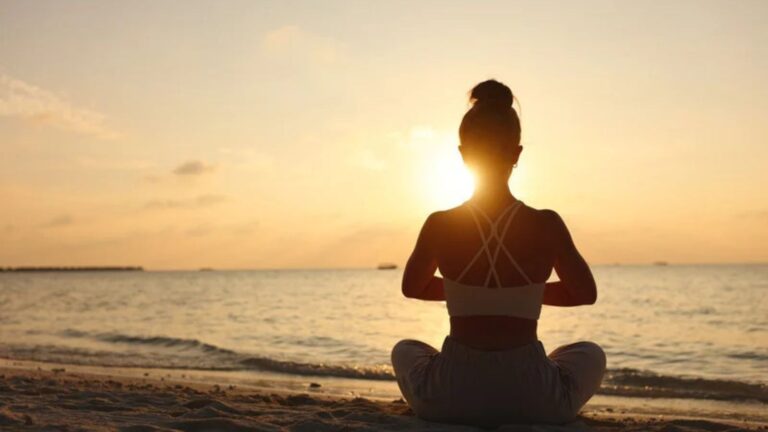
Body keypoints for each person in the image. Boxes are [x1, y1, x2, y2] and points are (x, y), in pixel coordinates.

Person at [391, 79, 606, 426]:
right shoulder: (547, 224)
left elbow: (412, 287)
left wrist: (472, 296)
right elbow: (585, 294)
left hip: (450, 395)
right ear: (517, 153)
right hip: (535, 397)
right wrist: (518, 296)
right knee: (589, 354)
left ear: (462, 154)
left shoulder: (440, 223)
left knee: (406, 349)